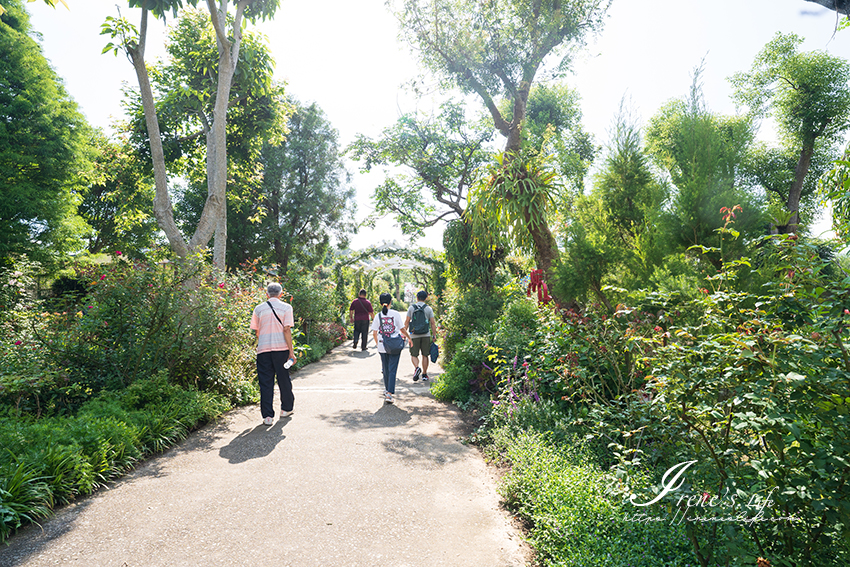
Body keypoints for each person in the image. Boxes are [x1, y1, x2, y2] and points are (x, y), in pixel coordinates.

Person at [250, 282, 297, 425]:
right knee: (283, 379)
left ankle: (267, 417)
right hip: (281, 349)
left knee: (265, 382)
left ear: (267, 294)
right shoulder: (286, 308)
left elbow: (257, 331)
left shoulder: (258, 309)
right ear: (281, 294)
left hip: (263, 350)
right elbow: (286, 329)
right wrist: (291, 352)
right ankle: (286, 409)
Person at [371, 293, 410, 404]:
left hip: (383, 346)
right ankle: (389, 393)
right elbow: (402, 330)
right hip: (394, 345)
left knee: (385, 368)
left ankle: (387, 389)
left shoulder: (378, 316)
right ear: (390, 302)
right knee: (392, 369)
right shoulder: (395, 314)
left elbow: (374, 332)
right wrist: (409, 338)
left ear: (380, 303)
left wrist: (378, 344)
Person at [405, 290, 438, 382]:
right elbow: (432, 323)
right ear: (426, 298)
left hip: (414, 335)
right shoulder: (428, 308)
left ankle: (416, 367)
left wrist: (404, 335)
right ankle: (424, 374)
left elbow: (407, 322)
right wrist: (434, 335)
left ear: (417, 297)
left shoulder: (411, 308)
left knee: (414, 354)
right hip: (426, 334)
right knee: (425, 355)